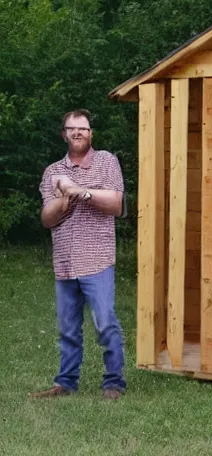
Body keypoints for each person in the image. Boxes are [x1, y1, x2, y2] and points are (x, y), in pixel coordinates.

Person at [30, 109, 126, 400]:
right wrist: (64, 197)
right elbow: (47, 218)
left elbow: (116, 204)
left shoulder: (107, 162)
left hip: (96, 257)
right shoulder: (52, 172)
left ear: (90, 133)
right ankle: (65, 383)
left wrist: (81, 191)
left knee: (105, 322)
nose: (77, 133)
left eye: (82, 128)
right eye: (71, 128)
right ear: (64, 134)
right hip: (65, 262)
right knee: (68, 329)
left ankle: (114, 382)